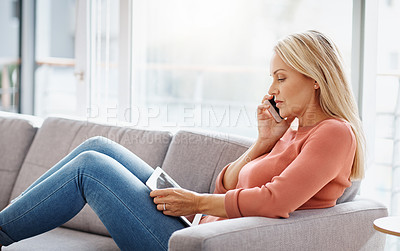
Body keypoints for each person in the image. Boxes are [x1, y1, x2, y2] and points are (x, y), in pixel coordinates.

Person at [0, 30, 365, 250]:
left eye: (281, 78)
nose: (271, 89)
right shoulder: (292, 132)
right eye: (272, 78)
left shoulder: (334, 133)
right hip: (199, 227)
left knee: (91, 169)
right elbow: (224, 185)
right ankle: (16, 214)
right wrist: (263, 142)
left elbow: (276, 201)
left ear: (316, 77)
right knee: (100, 146)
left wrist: (194, 201)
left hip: (196, 243)